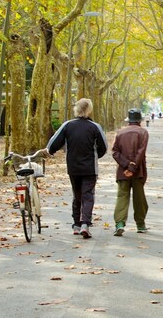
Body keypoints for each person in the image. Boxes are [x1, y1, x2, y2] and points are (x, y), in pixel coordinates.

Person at [46, 98, 107, 239]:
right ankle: (85, 223)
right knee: (88, 195)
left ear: (76, 109)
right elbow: (103, 147)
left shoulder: (67, 125)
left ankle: (76, 224)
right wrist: (94, 157)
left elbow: (53, 144)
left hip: (73, 167)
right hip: (90, 168)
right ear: (89, 110)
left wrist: (51, 152)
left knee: (77, 194)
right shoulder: (95, 127)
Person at [112, 108, 150, 236]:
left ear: (129, 120)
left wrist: (126, 165)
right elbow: (141, 152)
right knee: (139, 198)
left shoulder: (120, 133)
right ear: (139, 120)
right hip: (138, 171)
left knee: (122, 197)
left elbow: (115, 152)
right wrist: (132, 167)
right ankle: (140, 224)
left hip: (122, 171)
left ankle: (119, 223)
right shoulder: (143, 133)